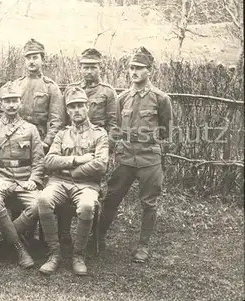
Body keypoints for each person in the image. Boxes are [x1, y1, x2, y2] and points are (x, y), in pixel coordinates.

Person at [98, 47, 173, 263]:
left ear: (150, 71)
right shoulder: (122, 98)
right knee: (111, 197)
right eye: (131, 68)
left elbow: (166, 130)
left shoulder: (161, 99)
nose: (134, 72)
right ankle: (98, 237)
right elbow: (117, 128)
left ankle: (143, 245)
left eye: (139, 68)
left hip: (149, 157)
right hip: (126, 157)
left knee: (149, 203)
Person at [38, 88, 109, 276]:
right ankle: (54, 254)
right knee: (44, 199)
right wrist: (77, 160)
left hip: (87, 185)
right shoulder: (62, 135)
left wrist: (72, 171)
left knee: (86, 206)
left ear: (87, 108)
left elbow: (101, 165)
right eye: (72, 107)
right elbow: (49, 161)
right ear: (67, 111)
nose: (77, 110)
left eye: (80, 106)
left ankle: (78, 255)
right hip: (59, 182)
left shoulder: (100, 134)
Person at [0, 81, 44, 268]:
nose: (11, 105)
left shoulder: (31, 129)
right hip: (1, 178)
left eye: (15, 100)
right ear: (1, 104)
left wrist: (33, 180)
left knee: (40, 204)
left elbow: (39, 160)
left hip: (25, 180)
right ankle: (19, 248)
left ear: (20, 103)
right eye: (7, 101)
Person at [57, 48, 118, 250]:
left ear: (100, 67)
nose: (89, 71)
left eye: (93, 67)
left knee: (90, 189)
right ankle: (64, 233)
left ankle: (91, 235)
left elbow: (113, 125)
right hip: (72, 146)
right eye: (85, 67)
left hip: (95, 147)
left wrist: (104, 152)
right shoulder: (72, 90)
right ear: (80, 68)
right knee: (65, 182)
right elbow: (65, 121)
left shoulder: (107, 92)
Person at [11, 38, 65, 151]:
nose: (31, 61)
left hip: (40, 137)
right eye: (28, 58)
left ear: (43, 60)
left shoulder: (50, 87)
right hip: (15, 135)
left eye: (35, 57)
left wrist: (47, 142)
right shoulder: (16, 85)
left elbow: (57, 121)